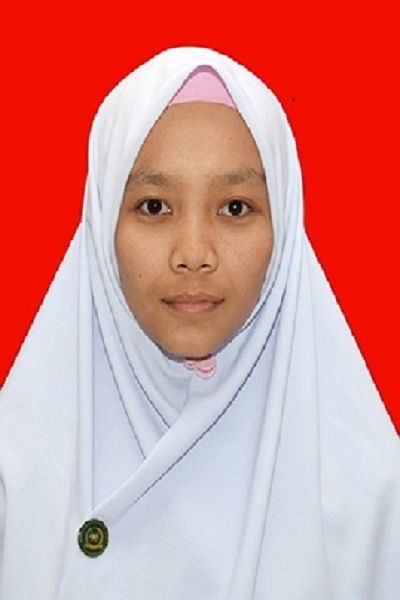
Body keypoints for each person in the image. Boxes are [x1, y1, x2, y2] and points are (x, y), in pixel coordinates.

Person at [0, 46, 399, 599]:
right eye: (154, 207)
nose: (193, 254)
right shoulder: (15, 468)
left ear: (283, 227)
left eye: (235, 208)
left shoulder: (369, 495)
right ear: (102, 223)